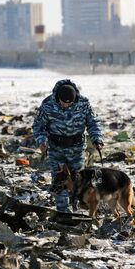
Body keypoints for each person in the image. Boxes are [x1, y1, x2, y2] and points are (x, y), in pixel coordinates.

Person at [32, 79, 104, 212]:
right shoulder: (47, 104)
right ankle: (62, 211)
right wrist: (42, 141)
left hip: (76, 148)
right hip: (55, 148)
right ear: (58, 98)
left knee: (77, 180)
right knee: (59, 180)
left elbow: (93, 123)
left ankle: (77, 208)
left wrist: (97, 139)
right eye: (63, 103)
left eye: (69, 103)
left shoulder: (84, 104)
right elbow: (38, 126)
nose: (65, 105)